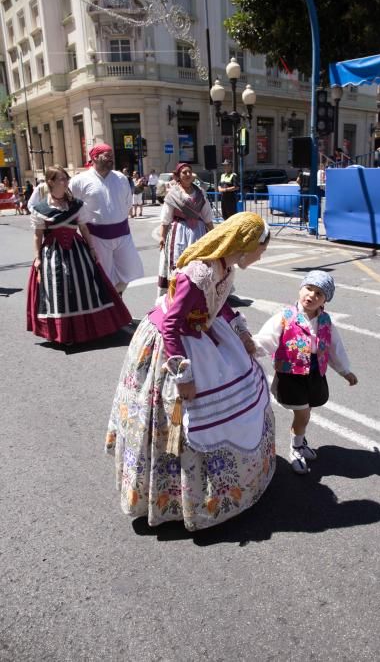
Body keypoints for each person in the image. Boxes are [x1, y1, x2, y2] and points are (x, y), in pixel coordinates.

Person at [105, 212, 275, 531]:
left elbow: (218, 302)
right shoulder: (198, 272)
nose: (262, 254)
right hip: (172, 343)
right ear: (245, 244)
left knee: (240, 389)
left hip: (200, 331)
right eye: (261, 248)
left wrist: (241, 333)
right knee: (179, 418)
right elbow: (171, 325)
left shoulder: (223, 266)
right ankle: (172, 495)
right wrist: (184, 377)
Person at [253, 270, 358, 474]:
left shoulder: (325, 321)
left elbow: (334, 348)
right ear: (301, 288)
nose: (312, 295)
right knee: (302, 414)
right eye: (309, 289)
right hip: (291, 376)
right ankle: (296, 448)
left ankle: (299, 441)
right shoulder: (284, 316)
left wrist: (345, 371)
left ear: (324, 300)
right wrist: (250, 348)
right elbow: (267, 339)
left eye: (319, 293)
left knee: (306, 413)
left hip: (314, 374)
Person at [26, 166, 132, 345]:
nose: (66, 182)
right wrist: (37, 257)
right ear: (50, 182)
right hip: (53, 252)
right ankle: (64, 333)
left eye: (66, 178)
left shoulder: (76, 205)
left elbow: (84, 228)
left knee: (85, 286)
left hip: (77, 250)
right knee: (59, 288)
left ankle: (92, 329)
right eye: (62, 179)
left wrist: (91, 249)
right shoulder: (41, 208)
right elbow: (38, 234)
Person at [69, 144, 144, 295]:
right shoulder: (79, 181)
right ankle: (111, 312)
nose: (111, 158)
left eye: (111, 155)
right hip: (96, 237)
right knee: (102, 278)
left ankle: (116, 301)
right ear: (95, 157)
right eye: (107, 155)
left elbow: (127, 203)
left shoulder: (121, 178)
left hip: (123, 234)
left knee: (128, 271)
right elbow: (71, 209)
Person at [157, 162, 214, 296]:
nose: (188, 175)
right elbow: (165, 218)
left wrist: (213, 233)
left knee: (199, 261)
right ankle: (178, 292)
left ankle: (198, 292)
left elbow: (207, 216)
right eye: (184, 172)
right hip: (179, 232)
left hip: (199, 232)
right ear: (178, 176)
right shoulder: (172, 194)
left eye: (189, 172)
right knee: (179, 262)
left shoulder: (200, 193)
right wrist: (162, 236)